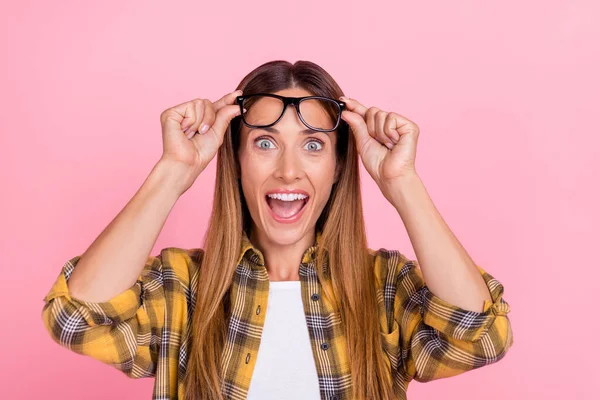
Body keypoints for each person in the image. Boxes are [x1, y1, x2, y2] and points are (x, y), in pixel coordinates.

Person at [41, 60, 513, 400]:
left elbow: (480, 336)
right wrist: (174, 170)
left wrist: (401, 182)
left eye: (312, 145)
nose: (288, 171)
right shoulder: (184, 290)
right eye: (265, 143)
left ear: (337, 165)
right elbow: (76, 318)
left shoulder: (383, 289)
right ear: (238, 160)